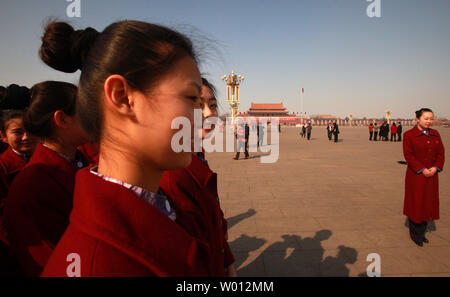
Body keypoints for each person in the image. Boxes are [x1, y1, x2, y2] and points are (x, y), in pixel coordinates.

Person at [39, 21, 211, 277]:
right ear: (122, 96)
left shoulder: (164, 207)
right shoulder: (95, 264)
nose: (205, 115)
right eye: (191, 99)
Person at [4, 81, 90, 276]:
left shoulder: (80, 161)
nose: (94, 118)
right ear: (62, 120)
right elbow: (49, 260)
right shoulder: (33, 184)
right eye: (85, 111)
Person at [159, 78, 236, 277]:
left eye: (212, 105)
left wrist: (227, 260)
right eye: (197, 104)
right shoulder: (173, 172)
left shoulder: (196, 152)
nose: (209, 113)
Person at [403, 108, 445, 247]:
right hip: (416, 176)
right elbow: (409, 156)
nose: (429, 121)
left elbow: (441, 153)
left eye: (431, 118)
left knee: (428, 203)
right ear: (417, 119)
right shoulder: (409, 135)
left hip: (432, 175)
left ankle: (422, 232)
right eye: (426, 118)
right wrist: (422, 169)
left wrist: (435, 168)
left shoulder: (435, 134)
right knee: (416, 204)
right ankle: (416, 235)